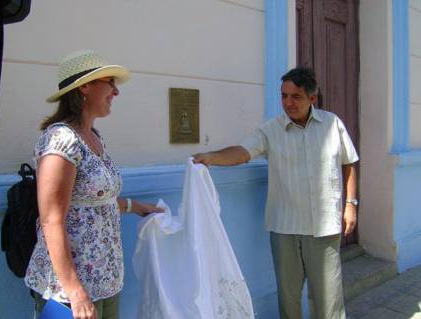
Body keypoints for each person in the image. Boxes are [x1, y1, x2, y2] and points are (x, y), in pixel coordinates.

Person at [193, 67, 359, 319]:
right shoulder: (271, 130)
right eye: (284, 96)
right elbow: (243, 151)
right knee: (288, 300)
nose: (288, 103)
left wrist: (350, 204)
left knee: (329, 303)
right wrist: (211, 157)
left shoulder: (332, 124)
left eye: (296, 97)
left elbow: (349, 162)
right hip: (285, 229)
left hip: (324, 229)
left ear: (312, 99)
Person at [24, 49, 163, 319]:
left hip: (106, 280)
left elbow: (96, 200)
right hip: (71, 293)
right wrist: (76, 293)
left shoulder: (94, 137)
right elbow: (52, 220)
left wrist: (138, 207)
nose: (116, 91)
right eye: (109, 82)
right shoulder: (61, 140)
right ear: (85, 87)